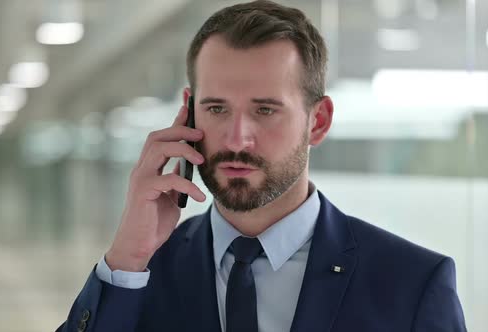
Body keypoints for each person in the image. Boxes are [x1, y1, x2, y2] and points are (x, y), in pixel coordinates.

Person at [56, 1, 466, 331]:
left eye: (265, 110)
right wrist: (127, 257)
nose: (236, 139)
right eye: (216, 108)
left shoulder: (410, 283)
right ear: (189, 112)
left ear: (317, 121)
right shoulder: (138, 274)